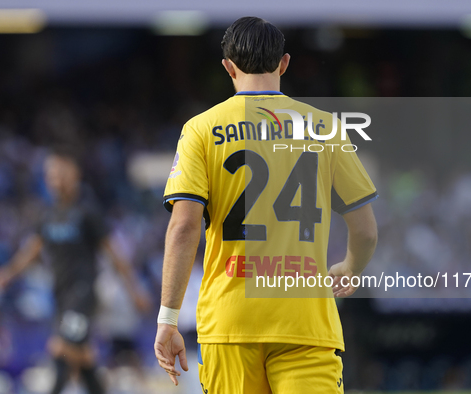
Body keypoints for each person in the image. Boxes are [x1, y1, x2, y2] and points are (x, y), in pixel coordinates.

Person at [154, 16, 378, 393]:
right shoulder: (325, 128)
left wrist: (168, 318)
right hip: (306, 321)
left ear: (228, 67)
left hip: (231, 321)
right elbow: (366, 230)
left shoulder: (201, 129)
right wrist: (351, 267)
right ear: (284, 63)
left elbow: (184, 227)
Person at [0, 147, 150, 394]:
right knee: (82, 356)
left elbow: (114, 255)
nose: (55, 179)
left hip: (83, 294)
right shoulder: (47, 215)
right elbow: (31, 252)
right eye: (50, 174)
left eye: (60, 173)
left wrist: (135, 291)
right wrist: (8, 273)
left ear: (74, 174)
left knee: (61, 348)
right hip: (61, 294)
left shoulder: (88, 212)